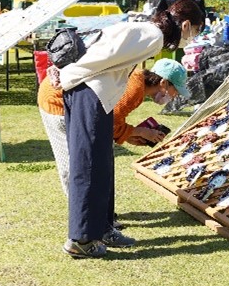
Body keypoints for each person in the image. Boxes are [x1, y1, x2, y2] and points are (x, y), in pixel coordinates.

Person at [56, 0, 205, 259]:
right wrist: (67, 74)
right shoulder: (153, 36)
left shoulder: (147, 32)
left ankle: (100, 229)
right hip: (89, 92)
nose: (192, 38)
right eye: (196, 31)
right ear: (185, 25)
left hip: (95, 94)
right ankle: (81, 238)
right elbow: (103, 54)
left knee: (99, 165)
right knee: (88, 166)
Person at [38, 58, 188, 196]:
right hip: (58, 104)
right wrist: (141, 131)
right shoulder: (135, 87)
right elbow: (104, 123)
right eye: (176, 91)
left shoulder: (138, 82)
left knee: (89, 161)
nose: (174, 96)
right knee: (75, 164)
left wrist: (129, 135)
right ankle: (83, 210)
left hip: (70, 102)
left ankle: (92, 209)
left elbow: (110, 118)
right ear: (163, 83)